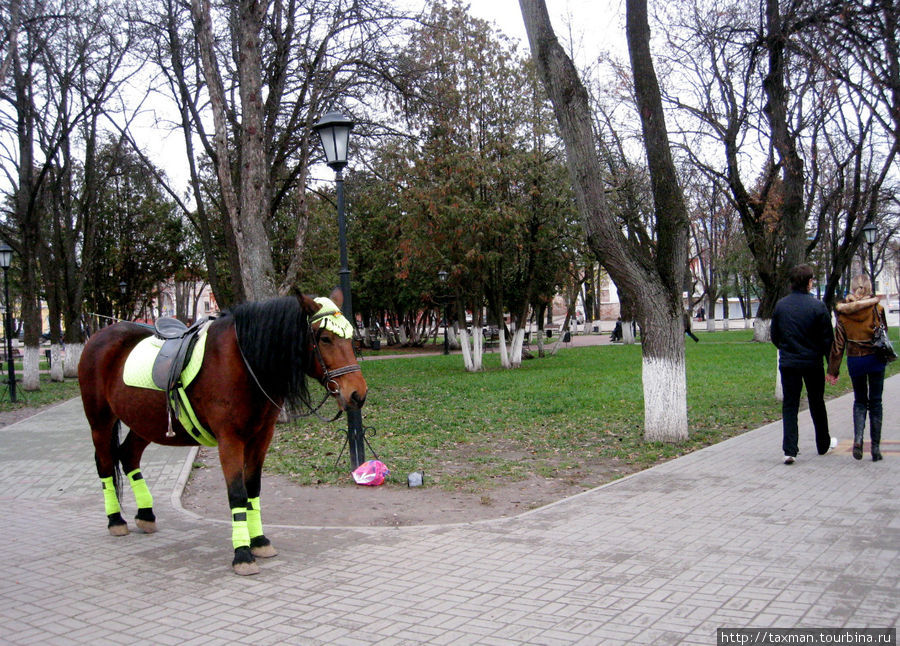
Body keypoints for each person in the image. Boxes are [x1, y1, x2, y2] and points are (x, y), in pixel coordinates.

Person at [770, 264, 837, 464]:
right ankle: (823, 444)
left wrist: (786, 348)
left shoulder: (781, 306)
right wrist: (832, 368)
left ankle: (790, 450)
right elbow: (828, 341)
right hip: (812, 363)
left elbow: (775, 336)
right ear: (809, 282)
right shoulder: (817, 306)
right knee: (817, 402)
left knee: (790, 404)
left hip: (789, 363)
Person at [826, 274, 887, 462]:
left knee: (860, 401)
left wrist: (832, 370)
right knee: (876, 403)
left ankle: (858, 440)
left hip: (855, 361)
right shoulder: (877, 308)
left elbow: (838, 345)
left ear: (853, 288)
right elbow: (883, 334)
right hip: (875, 359)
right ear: (869, 287)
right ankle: (875, 448)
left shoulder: (844, 313)